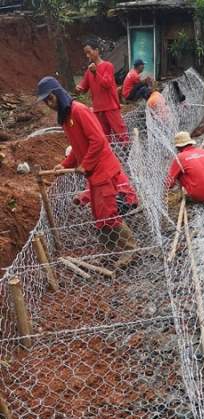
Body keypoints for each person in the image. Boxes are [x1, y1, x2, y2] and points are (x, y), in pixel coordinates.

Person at [37, 76, 138, 267]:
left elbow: (98, 140)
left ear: (57, 94)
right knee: (98, 215)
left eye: (49, 99)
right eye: (45, 101)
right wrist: (64, 165)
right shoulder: (66, 118)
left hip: (103, 171)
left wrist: (85, 165)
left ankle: (130, 250)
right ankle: (111, 251)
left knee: (108, 213)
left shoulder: (79, 111)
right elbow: (77, 147)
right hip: (94, 174)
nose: (48, 104)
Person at [76, 38, 128, 144]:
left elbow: (107, 84)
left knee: (121, 135)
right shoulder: (89, 71)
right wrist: (78, 89)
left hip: (110, 107)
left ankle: (128, 157)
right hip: (98, 110)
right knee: (104, 138)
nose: (88, 56)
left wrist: (95, 73)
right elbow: (84, 88)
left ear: (97, 50)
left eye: (89, 52)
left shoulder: (107, 66)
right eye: (86, 53)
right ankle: (112, 157)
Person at [167, 131, 204, 218]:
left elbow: (170, 183)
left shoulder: (179, 158)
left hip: (198, 194)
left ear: (178, 147)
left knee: (180, 174)